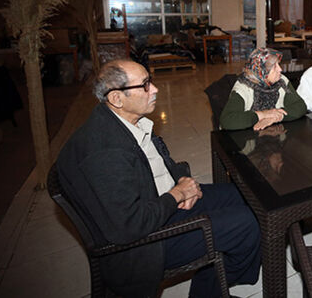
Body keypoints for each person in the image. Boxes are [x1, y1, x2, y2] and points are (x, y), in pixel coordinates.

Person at [57, 59, 260, 297]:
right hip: (147, 243)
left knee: (249, 196)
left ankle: (208, 288)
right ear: (116, 98)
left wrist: (184, 183)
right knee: (246, 223)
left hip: (161, 203)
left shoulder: (126, 120)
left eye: (150, 81)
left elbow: (163, 162)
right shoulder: (105, 153)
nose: (154, 89)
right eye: (144, 85)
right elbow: (128, 227)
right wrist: (176, 196)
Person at [220, 48, 306, 130]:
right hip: (248, 137)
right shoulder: (244, 87)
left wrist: (277, 117)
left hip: (276, 135)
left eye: (278, 64)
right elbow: (227, 120)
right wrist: (262, 115)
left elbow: (300, 105)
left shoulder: (282, 81)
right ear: (262, 70)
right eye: (274, 66)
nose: (280, 69)